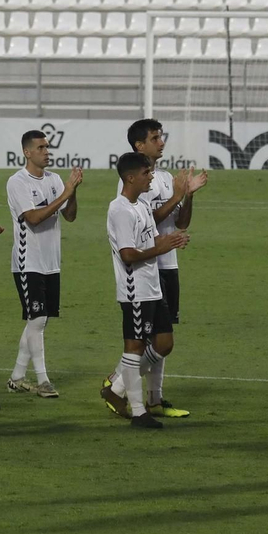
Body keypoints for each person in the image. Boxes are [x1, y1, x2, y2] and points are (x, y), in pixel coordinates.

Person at [114, 118, 206, 417]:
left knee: (162, 336)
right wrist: (178, 196)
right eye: (155, 138)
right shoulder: (130, 180)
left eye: (161, 136)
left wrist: (188, 195)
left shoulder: (164, 177)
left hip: (167, 265)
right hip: (146, 266)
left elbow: (181, 222)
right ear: (139, 145)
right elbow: (144, 218)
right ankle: (119, 386)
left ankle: (154, 398)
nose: (161, 142)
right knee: (149, 338)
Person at [104, 152, 190, 429]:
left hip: (153, 287)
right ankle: (139, 411)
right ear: (130, 177)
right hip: (134, 289)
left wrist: (171, 240)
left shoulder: (140, 205)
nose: (151, 176)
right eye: (145, 173)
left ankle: (115, 388)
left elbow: (152, 240)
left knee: (164, 343)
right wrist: (160, 248)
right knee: (135, 346)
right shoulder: (119, 210)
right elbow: (128, 254)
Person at [4, 129, 82, 399]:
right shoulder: (17, 182)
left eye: (47, 147)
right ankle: (43, 380)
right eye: (41, 148)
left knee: (39, 321)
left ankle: (16, 376)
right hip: (29, 262)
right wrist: (64, 194)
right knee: (37, 319)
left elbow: (69, 216)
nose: (47, 152)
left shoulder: (55, 180)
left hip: (51, 262)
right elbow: (33, 218)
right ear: (27, 152)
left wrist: (72, 193)